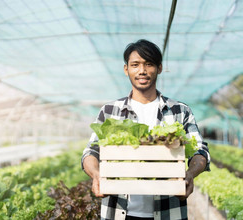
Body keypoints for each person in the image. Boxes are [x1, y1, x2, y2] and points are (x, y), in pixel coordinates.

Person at [81, 39, 210, 220]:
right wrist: (96, 174)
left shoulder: (180, 111)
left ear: (159, 68)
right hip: (119, 211)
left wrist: (190, 174)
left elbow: (200, 151)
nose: (142, 71)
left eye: (148, 64)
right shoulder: (110, 111)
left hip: (168, 212)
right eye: (135, 65)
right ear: (126, 69)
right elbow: (91, 151)